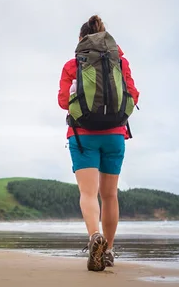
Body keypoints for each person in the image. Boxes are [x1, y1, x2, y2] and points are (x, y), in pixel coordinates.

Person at [57, 15, 139, 271]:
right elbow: (133, 95)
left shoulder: (73, 65)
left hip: (83, 136)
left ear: (81, 40)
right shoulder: (120, 63)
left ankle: (95, 237)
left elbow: (62, 101)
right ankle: (110, 250)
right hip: (115, 135)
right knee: (110, 195)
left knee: (88, 193)